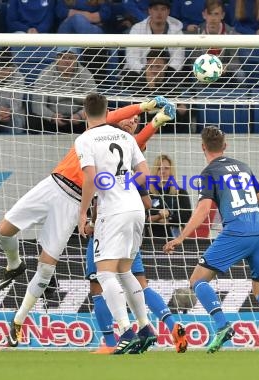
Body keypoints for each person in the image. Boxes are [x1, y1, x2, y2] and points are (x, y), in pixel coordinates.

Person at [0, 96, 175, 347]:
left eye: (135, 120)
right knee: (2, 231)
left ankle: (17, 323)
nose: (132, 121)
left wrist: (154, 122)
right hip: (54, 184)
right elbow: (116, 122)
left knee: (48, 269)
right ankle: (14, 265)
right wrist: (146, 110)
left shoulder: (120, 141)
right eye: (129, 118)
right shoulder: (94, 134)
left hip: (78, 202)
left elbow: (135, 145)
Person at [163, 126, 259, 353]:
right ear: (225, 145)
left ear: (203, 147)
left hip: (237, 230)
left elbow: (202, 212)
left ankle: (222, 326)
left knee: (197, 281)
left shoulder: (209, 172)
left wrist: (180, 237)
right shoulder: (243, 167)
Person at [86, 118, 188, 355]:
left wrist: (90, 219)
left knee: (99, 283)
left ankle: (112, 342)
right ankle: (168, 327)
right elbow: (146, 202)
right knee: (138, 281)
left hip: (109, 225)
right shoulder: (130, 162)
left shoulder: (101, 156)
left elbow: (93, 191)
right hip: (131, 224)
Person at [75, 93, 155, 355]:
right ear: (108, 111)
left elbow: (90, 179)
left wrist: (83, 213)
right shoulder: (125, 137)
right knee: (124, 271)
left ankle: (125, 331)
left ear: (85, 113)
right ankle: (144, 327)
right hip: (135, 208)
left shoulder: (85, 139)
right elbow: (145, 174)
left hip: (113, 211)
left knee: (105, 273)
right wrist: (124, 185)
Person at [29, 47, 97, 134]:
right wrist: (52, 116)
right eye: (63, 57)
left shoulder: (85, 74)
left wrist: (80, 115)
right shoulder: (46, 73)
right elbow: (37, 105)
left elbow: (93, 103)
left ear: (76, 59)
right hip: (51, 118)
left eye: (70, 58)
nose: (66, 61)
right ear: (56, 59)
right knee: (33, 121)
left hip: (79, 119)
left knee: (95, 119)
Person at [146, 154, 192, 238]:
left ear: (171, 171)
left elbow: (186, 215)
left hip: (175, 240)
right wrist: (160, 216)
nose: (162, 171)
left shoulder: (180, 192)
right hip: (152, 240)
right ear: (154, 171)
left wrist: (168, 218)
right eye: (159, 168)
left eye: (166, 168)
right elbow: (145, 217)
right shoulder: (148, 194)